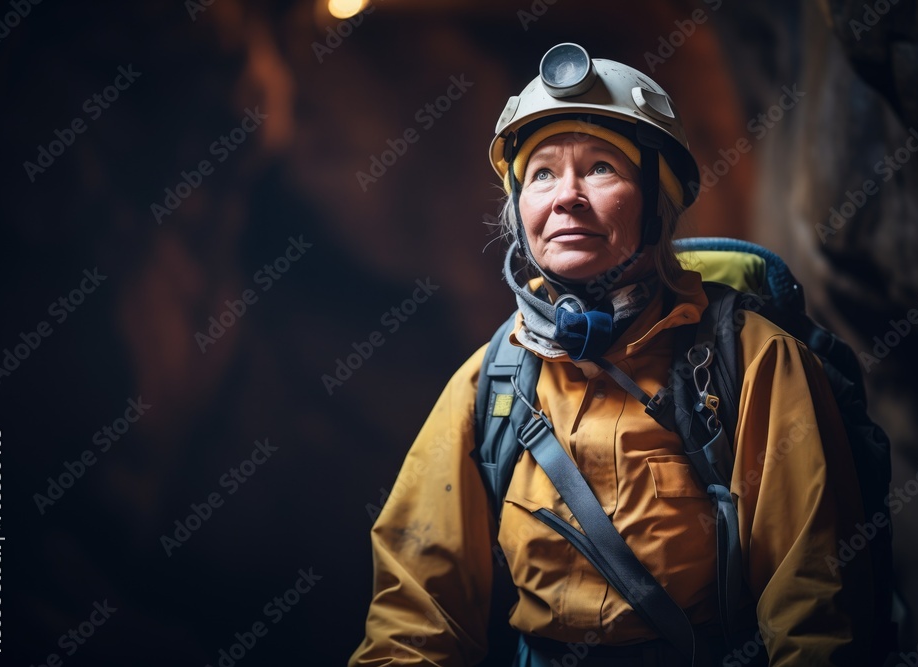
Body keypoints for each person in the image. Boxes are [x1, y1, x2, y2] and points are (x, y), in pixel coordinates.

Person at [350, 43, 873, 666]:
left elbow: (814, 609)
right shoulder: (493, 378)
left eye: (601, 167)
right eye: (541, 173)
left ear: (657, 204)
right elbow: (413, 619)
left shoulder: (749, 360)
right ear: (520, 211)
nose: (565, 196)